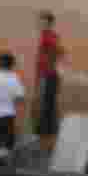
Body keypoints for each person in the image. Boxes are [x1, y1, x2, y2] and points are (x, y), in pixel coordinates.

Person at [0, 51, 25, 164]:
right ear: (11, 64)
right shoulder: (14, 78)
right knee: (7, 143)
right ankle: (5, 164)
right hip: (8, 114)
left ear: (0, 63)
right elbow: (20, 97)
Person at [34, 11, 63, 152]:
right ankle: (47, 141)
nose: (40, 24)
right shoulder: (47, 36)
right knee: (46, 107)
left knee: (47, 108)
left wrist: (48, 66)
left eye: (43, 21)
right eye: (40, 21)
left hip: (49, 75)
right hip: (47, 75)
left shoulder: (49, 36)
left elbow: (59, 51)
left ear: (49, 22)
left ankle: (48, 143)